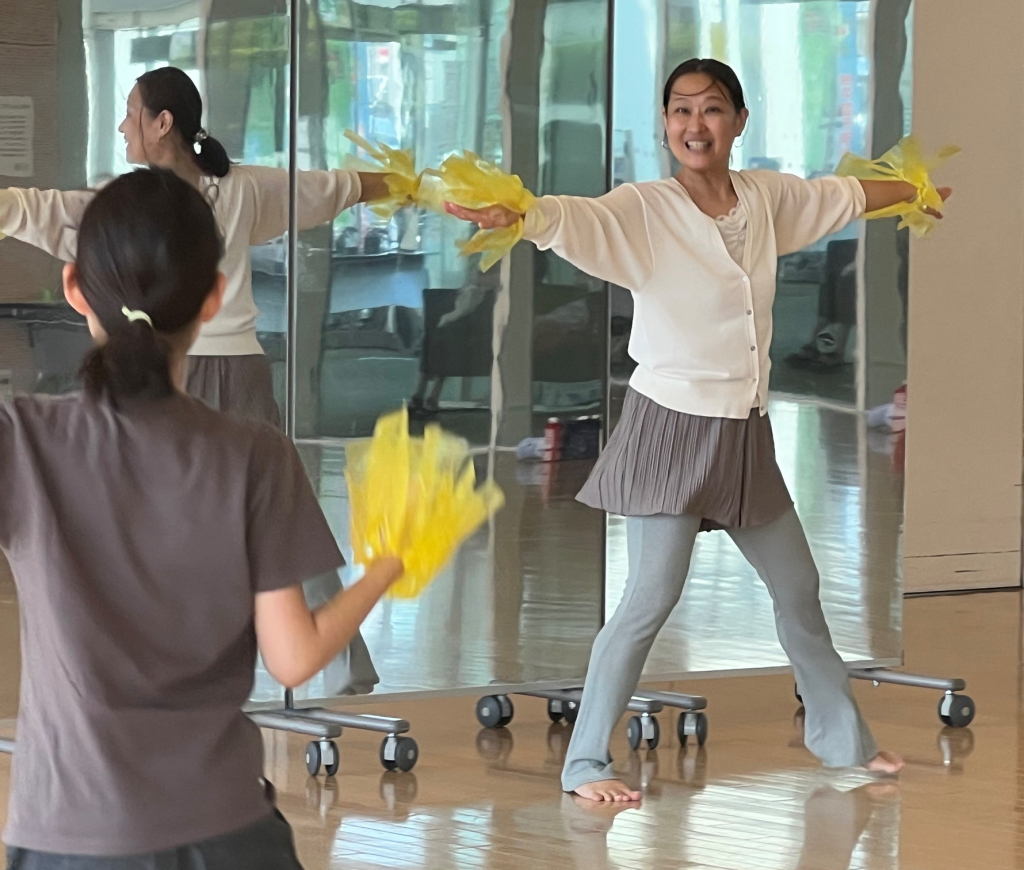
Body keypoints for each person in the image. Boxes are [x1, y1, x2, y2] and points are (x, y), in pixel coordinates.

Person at [446, 57, 952, 802]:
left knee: (799, 588)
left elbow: (840, 196)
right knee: (649, 599)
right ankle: (584, 764)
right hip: (671, 429)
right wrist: (518, 215)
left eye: (711, 108)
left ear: (738, 121)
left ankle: (844, 741)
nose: (694, 124)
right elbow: (573, 218)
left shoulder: (767, 199)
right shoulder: (645, 208)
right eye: (680, 110)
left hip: (744, 432)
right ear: (665, 124)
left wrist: (913, 192)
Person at [0, 168, 404, 868]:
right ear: (215, 298)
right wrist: (388, 566)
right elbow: (295, 657)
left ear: (74, 288)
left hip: (69, 835)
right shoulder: (257, 454)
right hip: (226, 832)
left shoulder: (21, 438)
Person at [0, 65, 395, 427]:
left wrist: (417, 186)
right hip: (235, 370)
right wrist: (414, 185)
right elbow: (335, 188)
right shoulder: (240, 188)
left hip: (180, 369)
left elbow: (335, 187)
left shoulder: (134, 204)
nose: (122, 125)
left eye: (131, 112)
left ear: (162, 123)